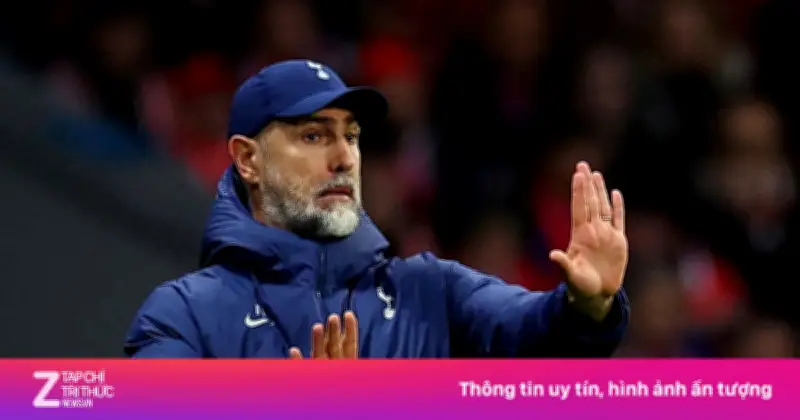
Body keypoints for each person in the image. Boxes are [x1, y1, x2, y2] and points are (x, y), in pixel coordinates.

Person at [125, 60, 631, 359]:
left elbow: (536, 336)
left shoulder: (430, 292)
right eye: (314, 135)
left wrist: (586, 307)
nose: (344, 158)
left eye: (351, 136)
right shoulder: (184, 315)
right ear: (248, 160)